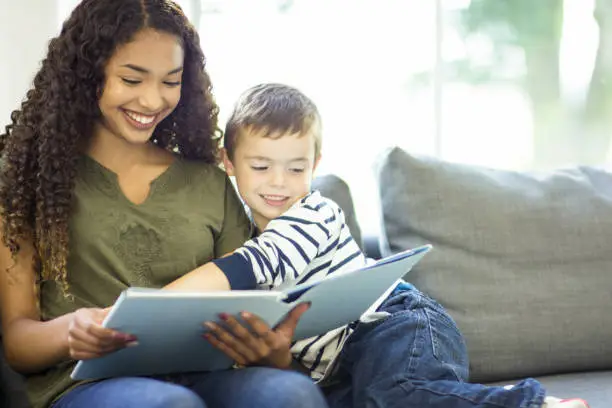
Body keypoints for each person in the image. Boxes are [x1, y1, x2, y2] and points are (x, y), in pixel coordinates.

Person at [168, 83, 591, 408]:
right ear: (229, 162)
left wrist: (153, 306)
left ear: (315, 165)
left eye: (296, 167)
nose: (279, 182)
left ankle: (533, 403)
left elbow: (246, 266)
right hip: (340, 366)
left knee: (398, 393)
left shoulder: (314, 214)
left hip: (393, 322)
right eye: (260, 166)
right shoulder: (233, 228)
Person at [0, 2, 328, 408]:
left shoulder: (209, 183)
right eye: (132, 79)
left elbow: (251, 307)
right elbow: (18, 342)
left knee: (290, 392)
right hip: (88, 386)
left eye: (170, 81)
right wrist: (70, 330)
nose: (152, 100)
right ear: (87, 75)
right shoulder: (29, 179)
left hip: (207, 375)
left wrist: (272, 353)